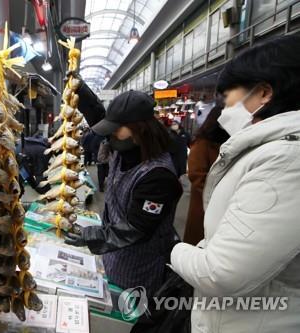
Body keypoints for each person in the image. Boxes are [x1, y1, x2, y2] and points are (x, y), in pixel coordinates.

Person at [170, 35, 300, 332]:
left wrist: (174, 249)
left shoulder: (285, 159)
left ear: (264, 93)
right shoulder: (266, 150)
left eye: (226, 96)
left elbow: (222, 272)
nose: (223, 107)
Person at [66, 85, 183, 297]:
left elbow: (136, 229)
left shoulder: (158, 177)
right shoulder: (124, 150)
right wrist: (80, 90)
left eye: (115, 129)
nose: (110, 135)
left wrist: (91, 235)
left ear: (140, 129)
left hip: (138, 270)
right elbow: (99, 116)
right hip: (112, 255)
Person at [183, 106, 229, 245]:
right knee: (200, 243)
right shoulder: (203, 143)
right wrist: (221, 195)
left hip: (227, 207)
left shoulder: (235, 141)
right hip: (204, 206)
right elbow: (196, 175)